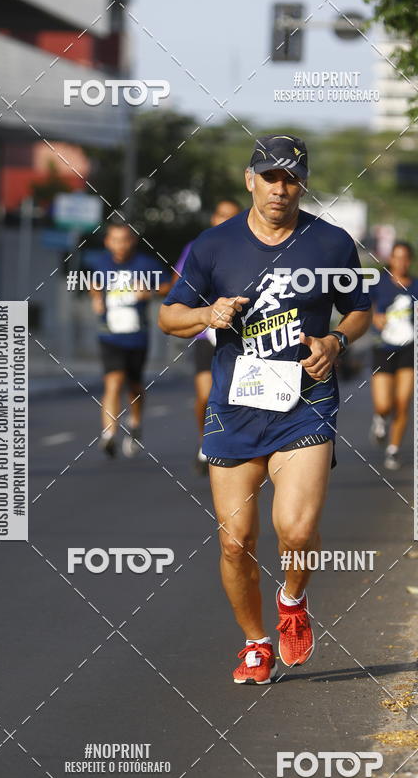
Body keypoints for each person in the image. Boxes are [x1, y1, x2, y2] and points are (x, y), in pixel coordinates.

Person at [159, 134, 372, 684]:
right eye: (271, 177)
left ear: (303, 185)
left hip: (305, 401)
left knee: (295, 532)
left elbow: (359, 311)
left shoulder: (330, 244)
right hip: (235, 406)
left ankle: (293, 601)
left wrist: (336, 342)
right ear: (250, 179)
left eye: (291, 179)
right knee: (236, 542)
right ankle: (255, 643)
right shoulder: (213, 246)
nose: (281, 188)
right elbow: (169, 316)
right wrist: (206, 314)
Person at [176, 199, 242, 474]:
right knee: (204, 394)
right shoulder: (198, 247)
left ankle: (233, 445)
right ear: (213, 218)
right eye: (221, 215)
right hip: (207, 333)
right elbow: (179, 285)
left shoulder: (249, 248)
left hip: (241, 334)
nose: (226, 221)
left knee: (235, 395)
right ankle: (205, 442)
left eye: (232, 216)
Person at [89, 221, 161, 458]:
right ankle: (109, 433)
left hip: (137, 336)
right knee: (113, 381)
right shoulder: (101, 263)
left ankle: (136, 424)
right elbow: (94, 283)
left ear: (133, 241)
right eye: (115, 240)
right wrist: (96, 297)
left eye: (125, 240)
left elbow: (168, 286)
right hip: (109, 333)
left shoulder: (146, 264)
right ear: (108, 242)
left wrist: (149, 292)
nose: (120, 245)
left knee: (134, 386)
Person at [368, 242, 418, 470]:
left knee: (402, 402)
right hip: (383, 347)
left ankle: (393, 450)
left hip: (409, 348)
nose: (401, 262)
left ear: (410, 261)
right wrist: (374, 317)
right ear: (391, 260)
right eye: (397, 257)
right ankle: (380, 419)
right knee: (384, 404)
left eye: (405, 258)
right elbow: (363, 307)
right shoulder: (379, 283)